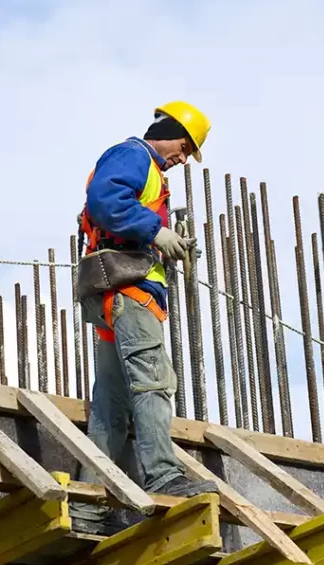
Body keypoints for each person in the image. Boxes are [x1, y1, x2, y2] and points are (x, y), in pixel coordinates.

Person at [70, 101, 218, 535]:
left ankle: (88, 507)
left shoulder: (149, 172)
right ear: (168, 131)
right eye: (185, 146)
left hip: (117, 295)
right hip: (130, 294)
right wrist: (156, 232)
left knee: (111, 408)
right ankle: (164, 475)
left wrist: (162, 240)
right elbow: (105, 200)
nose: (184, 158)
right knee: (154, 381)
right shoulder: (135, 155)